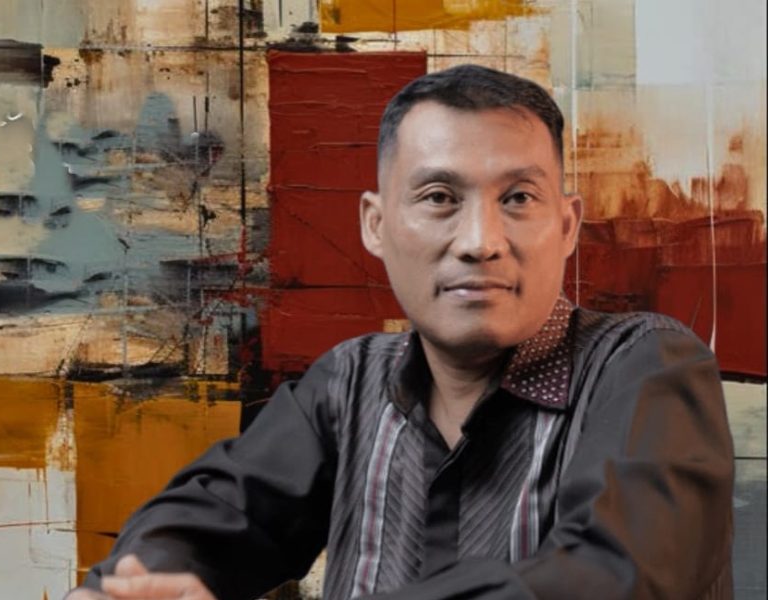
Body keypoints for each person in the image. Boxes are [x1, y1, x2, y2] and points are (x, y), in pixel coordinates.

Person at [66, 65, 735, 600]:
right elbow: (211, 515)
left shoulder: (647, 365)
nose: (480, 241)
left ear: (566, 227)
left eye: (518, 199)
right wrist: (140, 584)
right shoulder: (349, 382)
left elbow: (612, 577)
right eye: (440, 198)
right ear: (376, 226)